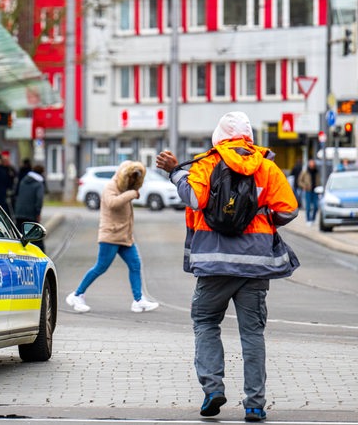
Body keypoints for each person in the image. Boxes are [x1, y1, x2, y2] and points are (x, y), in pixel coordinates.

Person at [155, 111, 299, 423]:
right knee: (252, 333)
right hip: (256, 265)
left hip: (214, 262)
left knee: (206, 322)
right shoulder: (267, 168)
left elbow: (193, 198)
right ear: (249, 137)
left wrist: (174, 172)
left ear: (219, 136)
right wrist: (262, 220)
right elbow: (289, 209)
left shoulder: (205, 164)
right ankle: (255, 405)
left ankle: (212, 389)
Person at [65, 160, 159, 314]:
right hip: (110, 235)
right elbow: (112, 203)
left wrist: (131, 191)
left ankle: (138, 300)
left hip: (125, 237)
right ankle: (77, 295)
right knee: (101, 267)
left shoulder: (126, 188)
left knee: (135, 265)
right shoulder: (111, 186)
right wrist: (131, 194)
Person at [13, 164, 46, 251]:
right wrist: (38, 213)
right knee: (35, 237)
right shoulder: (39, 184)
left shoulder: (23, 181)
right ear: (41, 173)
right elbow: (39, 199)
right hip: (31, 214)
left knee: (20, 236)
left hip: (19, 212)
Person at [296, 158, 319, 226]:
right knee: (308, 207)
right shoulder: (305, 172)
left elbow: (318, 181)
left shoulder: (316, 172)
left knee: (316, 206)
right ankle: (308, 220)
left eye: (313, 163)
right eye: (311, 163)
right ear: (309, 164)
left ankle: (313, 219)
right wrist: (304, 186)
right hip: (308, 191)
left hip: (315, 191)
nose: (312, 165)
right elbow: (299, 181)